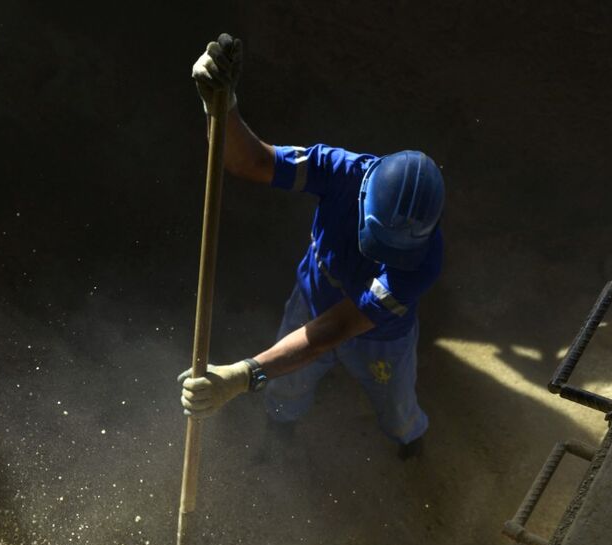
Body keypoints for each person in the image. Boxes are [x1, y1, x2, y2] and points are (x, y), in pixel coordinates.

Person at [181, 34, 445, 460]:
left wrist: (242, 374)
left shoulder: (423, 265)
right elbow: (251, 162)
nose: (381, 259)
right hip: (311, 300)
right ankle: (280, 434)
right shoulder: (341, 172)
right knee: (286, 386)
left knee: (397, 408)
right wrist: (221, 108)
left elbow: (333, 332)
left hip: (380, 337)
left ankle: (409, 442)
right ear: (362, 199)